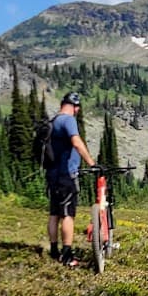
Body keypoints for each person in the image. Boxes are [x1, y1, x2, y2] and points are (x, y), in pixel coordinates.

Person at [46, 92, 96, 266]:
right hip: (66, 175)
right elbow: (76, 142)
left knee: (54, 214)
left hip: (52, 175)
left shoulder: (53, 121)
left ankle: (53, 250)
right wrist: (91, 162)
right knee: (68, 214)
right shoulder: (68, 120)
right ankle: (67, 255)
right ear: (75, 107)